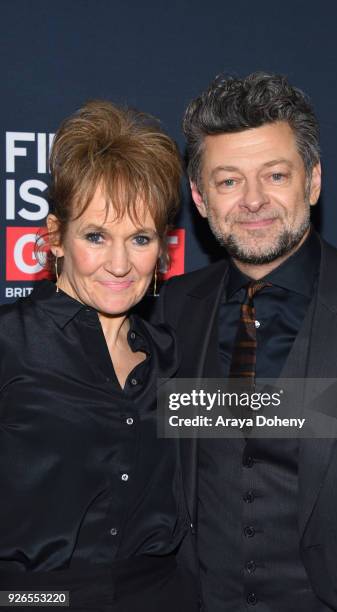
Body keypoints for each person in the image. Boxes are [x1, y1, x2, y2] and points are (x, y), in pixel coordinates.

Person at [153, 73, 337, 611]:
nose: (252, 201)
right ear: (199, 198)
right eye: (227, 182)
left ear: (312, 182)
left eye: (274, 175)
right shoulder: (171, 310)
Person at [0, 101, 198, 611]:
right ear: (54, 238)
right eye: (95, 236)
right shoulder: (9, 345)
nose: (118, 263)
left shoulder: (169, 355)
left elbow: (275, 418)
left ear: (162, 251)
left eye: (139, 238)